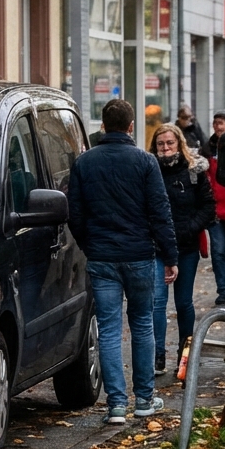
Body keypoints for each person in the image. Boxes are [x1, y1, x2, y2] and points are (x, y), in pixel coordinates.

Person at [68, 99, 179, 425]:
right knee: (143, 324)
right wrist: (170, 256)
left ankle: (116, 404)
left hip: (103, 257)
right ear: (131, 126)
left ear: (103, 126)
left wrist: (90, 245)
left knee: (110, 330)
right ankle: (144, 399)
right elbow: (160, 212)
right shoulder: (145, 162)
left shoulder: (84, 163)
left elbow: (75, 213)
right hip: (140, 256)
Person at [148, 123, 216, 375]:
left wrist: (189, 227)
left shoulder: (194, 171)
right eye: (160, 144)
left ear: (179, 143)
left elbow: (209, 207)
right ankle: (157, 355)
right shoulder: (149, 169)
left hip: (186, 246)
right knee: (157, 302)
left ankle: (184, 355)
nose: (165, 148)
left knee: (184, 302)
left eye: (170, 143)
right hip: (156, 247)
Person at [204, 109, 225, 305]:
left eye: (222, 122)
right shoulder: (207, 149)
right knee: (218, 251)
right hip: (216, 210)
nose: (217, 126)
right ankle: (224, 290)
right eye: (215, 122)